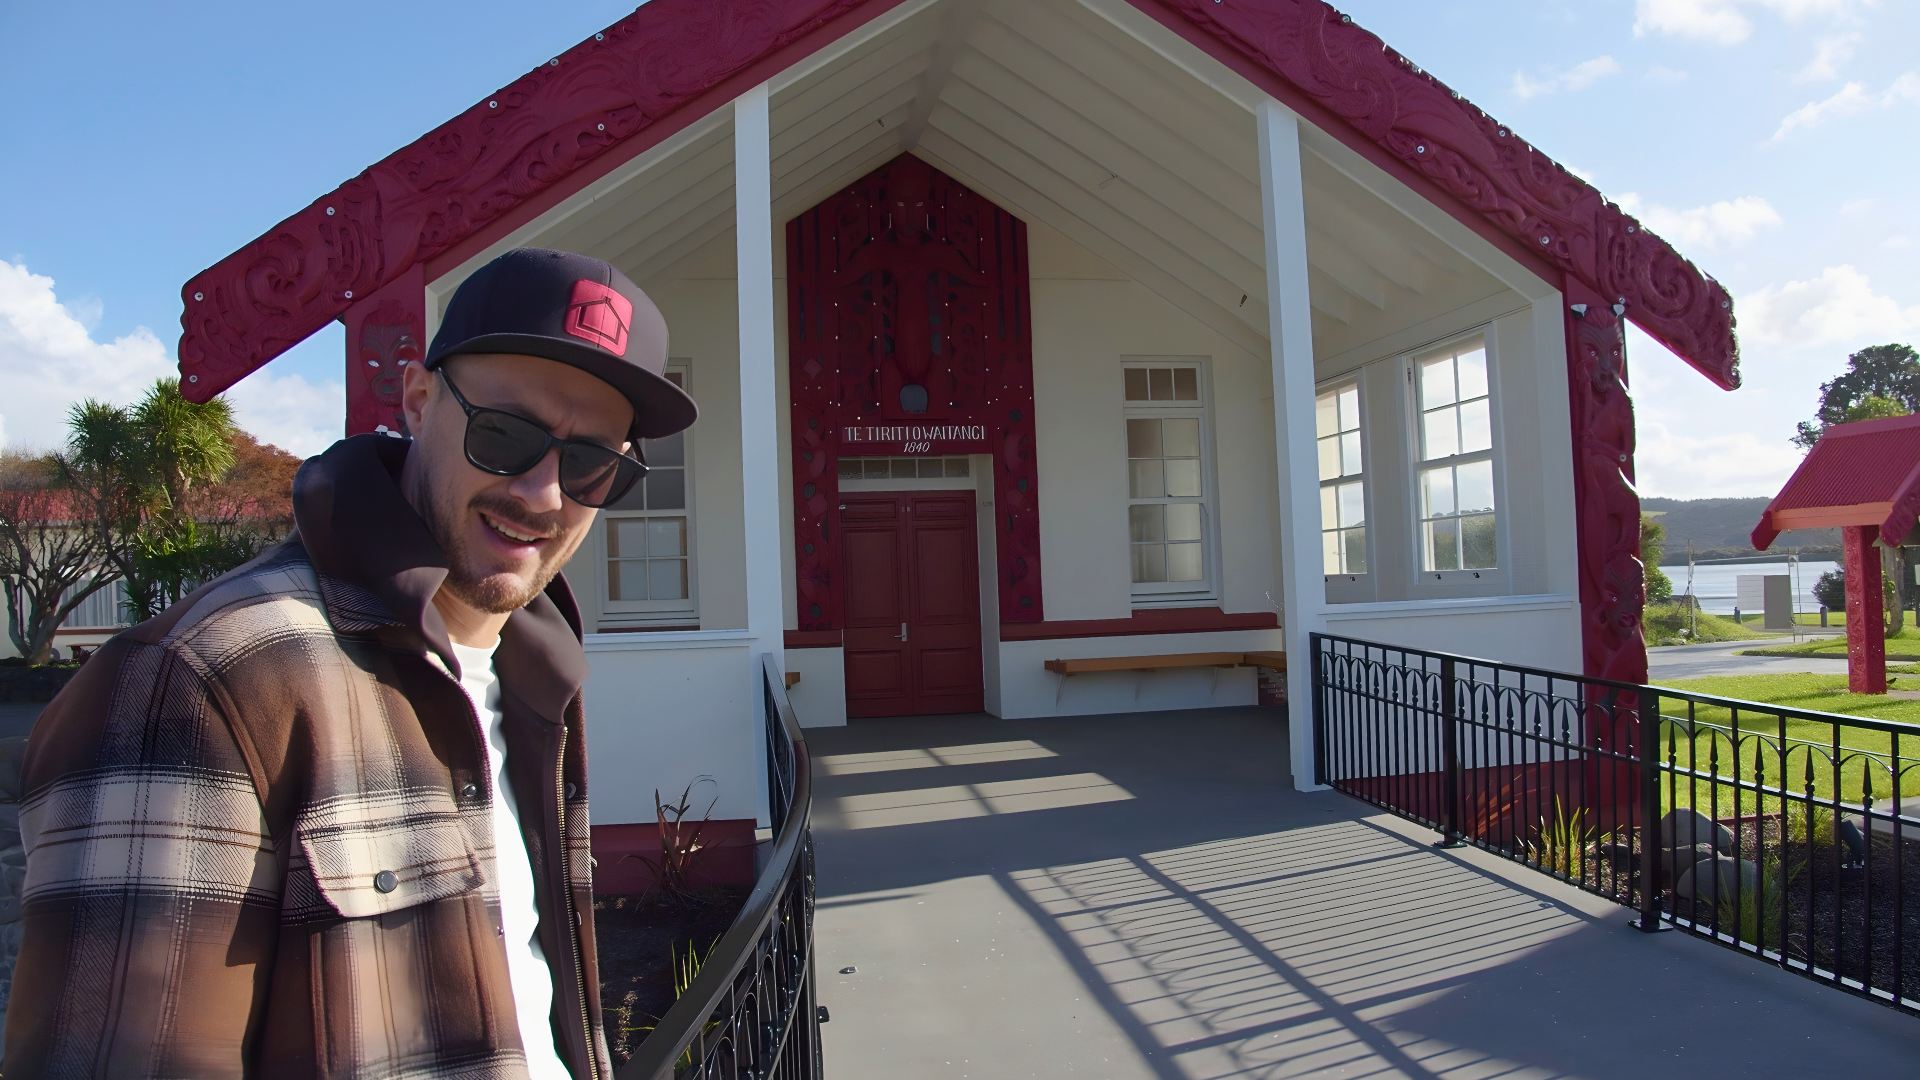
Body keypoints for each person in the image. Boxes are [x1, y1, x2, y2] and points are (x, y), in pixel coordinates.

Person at [6, 248, 697, 1079]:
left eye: (592, 464)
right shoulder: (199, 685)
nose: (545, 493)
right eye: (507, 435)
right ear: (416, 401)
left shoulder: (534, 671)